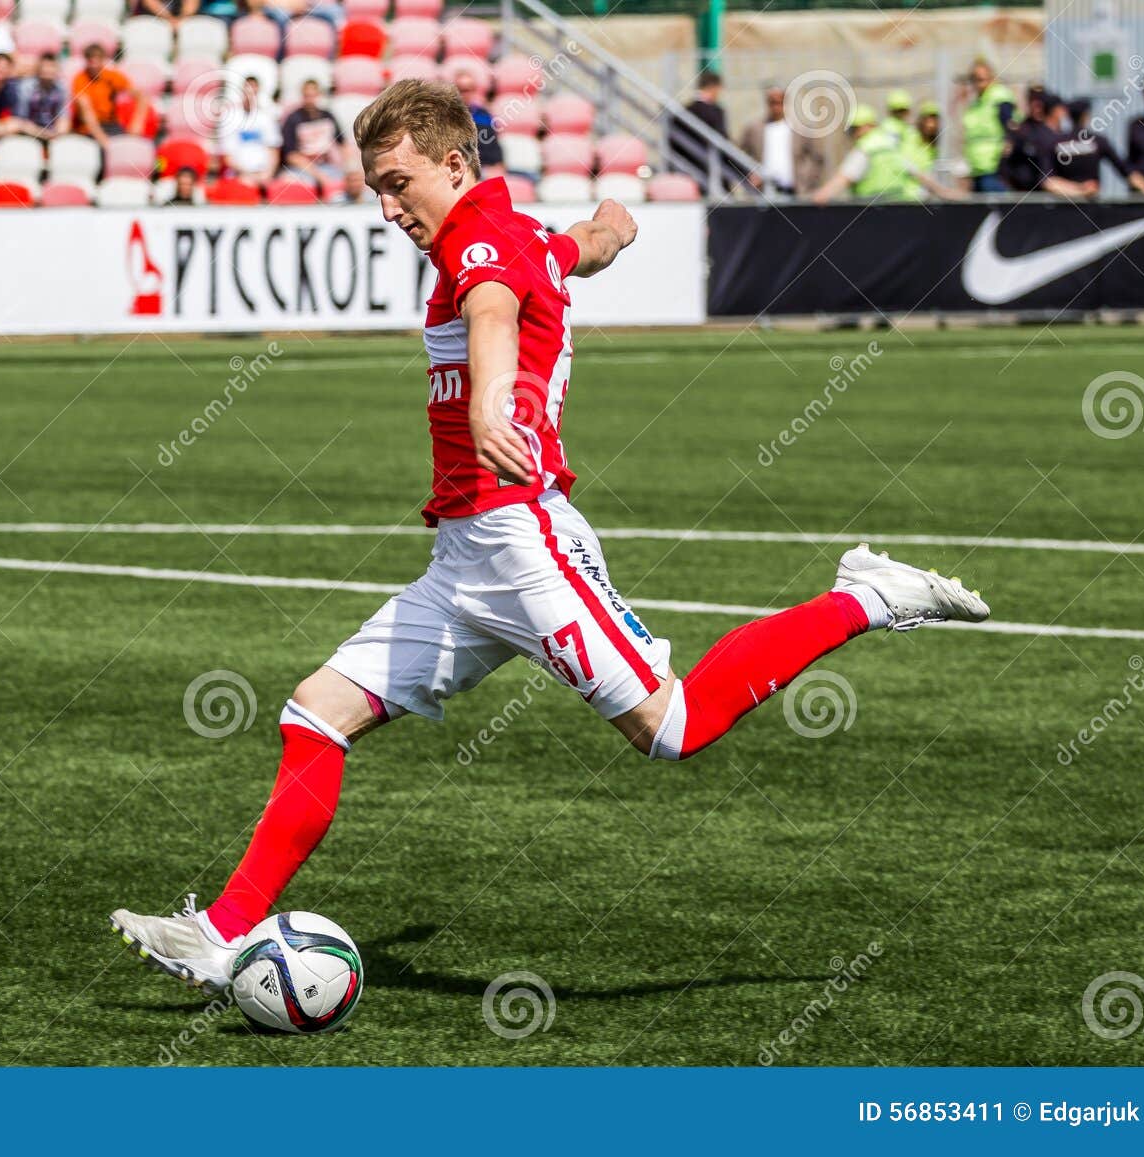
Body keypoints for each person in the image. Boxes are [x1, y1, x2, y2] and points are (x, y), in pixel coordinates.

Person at [107, 78, 991, 993]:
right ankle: (219, 933)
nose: (386, 205)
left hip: (522, 544)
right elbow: (576, 251)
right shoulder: (515, 231)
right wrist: (611, 227)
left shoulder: (480, 245)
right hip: (463, 557)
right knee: (315, 713)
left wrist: (493, 402)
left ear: (455, 164)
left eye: (397, 182)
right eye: (375, 186)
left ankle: (868, 594)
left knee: (674, 726)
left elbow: (492, 307)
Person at [810, 104, 962, 204]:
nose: (853, 134)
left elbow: (843, 178)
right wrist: (944, 192)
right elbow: (917, 173)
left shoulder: (865, 149)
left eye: (855, 129)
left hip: (871, 212)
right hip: (900, 209)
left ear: (867, 126)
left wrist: (819, 197)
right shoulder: (892, 146)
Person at [1001, 87, 1091, 197]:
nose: (1036, 106)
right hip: (1025, 195)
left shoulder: (1058, 135)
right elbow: (1006, 164)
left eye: (1040, 102)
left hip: (1053, 195)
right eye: (1033, 101)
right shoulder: (1021, 131)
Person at [738, 83, 825, 196]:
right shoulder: (754, 129)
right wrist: (749, 174)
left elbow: (817, 157)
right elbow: (737, 153)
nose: (775, 106)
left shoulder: (799, 129)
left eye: (779, 102)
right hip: (763, 192)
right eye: (772, 102)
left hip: (793, 191)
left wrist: (807, 179)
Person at [667, 69, 739, 193]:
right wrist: (740, 171)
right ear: (714, 87)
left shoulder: (682, 112)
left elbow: (672, 144)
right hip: (714, 176)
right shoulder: (715, 112)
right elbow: (723, 145)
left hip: (687, 177)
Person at [71, 41, 146, 141]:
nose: (94, 65)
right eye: (91, 61)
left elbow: (141, 96)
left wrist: (137, 123)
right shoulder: (80, 79)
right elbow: (87, 112)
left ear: (103, 60)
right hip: (87, 129)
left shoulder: (111, 76)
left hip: (111, 124)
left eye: (97, 60)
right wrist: (104, 141)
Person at [961, 57, 1015, 193]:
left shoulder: (999, 96)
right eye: (974, 79)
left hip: (995, 169)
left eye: (981, 79)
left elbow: (1011, 126)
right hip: (977, 168)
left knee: (998, 210)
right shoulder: (976, 104)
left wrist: (1006, 156)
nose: (977, 84)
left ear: (991, 78)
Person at [1055, 96, 1130, 193]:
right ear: (1086, 116)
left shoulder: (1057, 142)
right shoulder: (1098, 141)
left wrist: (1076, 189)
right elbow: (1124, 169)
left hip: (1064, 203)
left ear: (1068, 116)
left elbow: (1049, 179)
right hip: (1091, 202)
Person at [279, 77, 342, 187]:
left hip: (328, 165)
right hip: (303, 168)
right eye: (306, 96)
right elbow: (291, 155)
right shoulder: (293, 119)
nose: (310, 100)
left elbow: (343, 144)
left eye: (313, 96)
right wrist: (319, 175)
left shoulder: (328, 116)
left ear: (319, 95)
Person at [219, 74, 279, 186]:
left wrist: (267, 174)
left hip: (263, 174)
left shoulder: (267, 117)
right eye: (247, 88)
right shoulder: (229, 117)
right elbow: (227, 156)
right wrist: (248, 175)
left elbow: (274, 150)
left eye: (254, 89)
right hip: (238, 174)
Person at [452, 67, 503, 178]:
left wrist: (498, 167)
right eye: (461, 89)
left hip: (483, 169)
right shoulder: (446, 116)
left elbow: (495, 150)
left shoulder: (484, 116)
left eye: (469, 89)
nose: (465, 94)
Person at [17, 52, 69, 139]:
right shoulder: (26, 87)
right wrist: (41, 133)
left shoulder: (62, 88)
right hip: (29, 132)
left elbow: (63, 118)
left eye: (52, 66)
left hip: (53, 133)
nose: (48, 70)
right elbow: (21, 119)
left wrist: (57, 133)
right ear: (38, 68)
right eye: (45, 66)